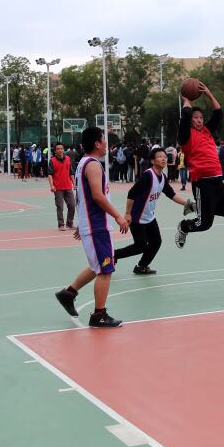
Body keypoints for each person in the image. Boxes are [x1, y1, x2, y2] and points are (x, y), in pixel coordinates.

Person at [54, 127, 130, 327]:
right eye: (104, 139)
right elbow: (97, 196)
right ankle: (99, 315)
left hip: (92, 224)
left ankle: (68, 293)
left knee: (100, 264)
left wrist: (81, 222)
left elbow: (82, 196)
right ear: (97, 143)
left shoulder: (83, 163)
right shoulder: (93, 165)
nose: (106, 143)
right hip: (97, 225)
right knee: (105, 270)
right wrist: (118, 216)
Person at [174, 83, 224, 248]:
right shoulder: (185, 135)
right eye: (196, 118)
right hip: (203, 182)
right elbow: (186, 114)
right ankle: (184, 226)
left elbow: (218, 113)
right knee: (204, 224)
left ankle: (198, 207)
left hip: (217, 180)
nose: (199, 120)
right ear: (190, 120)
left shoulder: (207, 130)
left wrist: (208, 93)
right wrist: (187, 99)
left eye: (201, 117)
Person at [115, 147, 193, 275]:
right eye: (159, 156)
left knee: (156, 242)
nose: (163, 159)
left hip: (149, 217)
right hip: (137, 217)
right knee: (140, 246)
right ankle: (114, 255)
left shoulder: (163, 177)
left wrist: (188, 204)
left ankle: (141, 266)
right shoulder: (148, 175)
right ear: (152, 161)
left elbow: (172, 194)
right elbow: (132, 193)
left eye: (165, 157)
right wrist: (127, 213)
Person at [47, 142, 76, 231]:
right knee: (60, 207)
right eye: (58, 149)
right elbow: (50, 174)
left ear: (63, 149)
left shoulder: (68, 159)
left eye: (61, 148)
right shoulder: (52, 161)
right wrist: (52, 185)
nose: (60, 150)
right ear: (55, 151)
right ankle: (61, 225)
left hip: (68, 186)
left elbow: (71, 172)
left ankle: (69, 224)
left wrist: (74, 183)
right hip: (58, 188)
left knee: (72, 205)